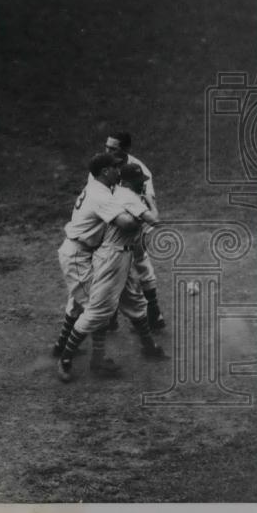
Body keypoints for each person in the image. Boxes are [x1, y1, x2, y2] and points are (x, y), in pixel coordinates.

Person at [57, 163, 168, 383]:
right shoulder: (127, 196)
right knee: (97, 311)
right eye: (140, 181)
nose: (144, 184)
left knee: (135, 303)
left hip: (121, 257)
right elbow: (150, 221)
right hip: (111, 258)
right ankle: (66, 358)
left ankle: (150, 347)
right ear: (128, 182)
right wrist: (150, 203)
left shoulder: (121, 193)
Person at [103, 132, 165, 330]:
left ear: (126, 149)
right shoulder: (101, 165)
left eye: (113, 148)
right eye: (107, 147)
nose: (108, 151)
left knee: (136, 263)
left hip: (136, 221)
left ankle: (154, 312)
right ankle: (111, 316)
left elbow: (149, 201)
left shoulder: (140, 170)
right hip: (112, 220)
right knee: (113, 265)